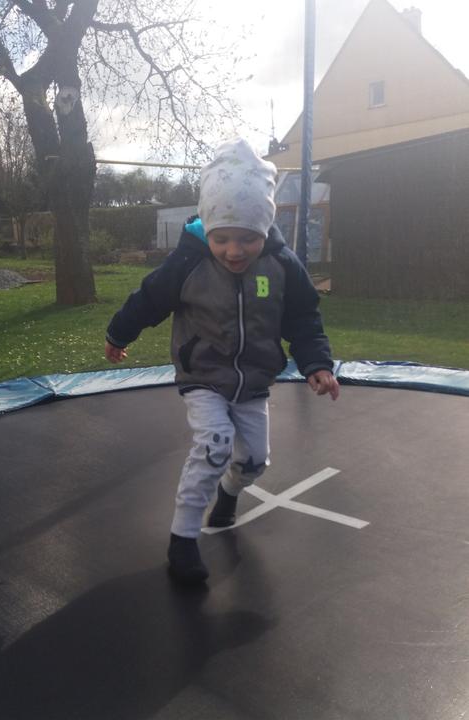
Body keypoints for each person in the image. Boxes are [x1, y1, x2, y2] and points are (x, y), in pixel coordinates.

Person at [105, 138, 339, 584]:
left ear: (265, 228)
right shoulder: (188, 263)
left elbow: (304, 318)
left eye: (248, 238)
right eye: (222, 238)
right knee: (214, 445)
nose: (235, 251)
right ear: (207, 231)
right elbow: (149, 300)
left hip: (253, 382)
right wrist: (119, 334)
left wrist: (317, 364)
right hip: (203, 375)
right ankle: (183, 539)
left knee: (255, 462)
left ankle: (230, 494)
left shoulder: (282, 265)